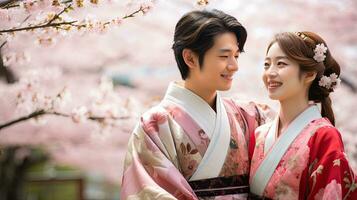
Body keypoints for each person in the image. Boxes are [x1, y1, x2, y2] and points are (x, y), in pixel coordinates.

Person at [120, 9, 273, 200]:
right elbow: (149, 192)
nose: (234, 66)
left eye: (237, 55)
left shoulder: (247, 115)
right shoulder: (155, 125)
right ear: (190, 58)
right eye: (224, 56)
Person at [249, 31, 357, 200]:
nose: (270, 72)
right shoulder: (260, 134)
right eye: (266, 64)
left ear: (309, 74)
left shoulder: (324, 136)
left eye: (281, 64)